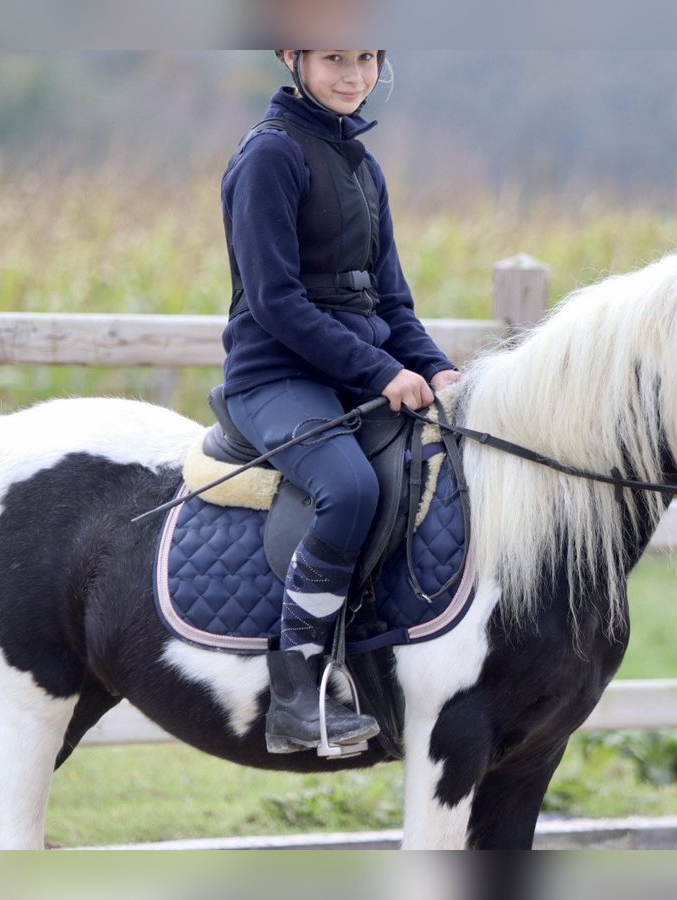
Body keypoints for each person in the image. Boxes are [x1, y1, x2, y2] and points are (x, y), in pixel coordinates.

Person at [220, 49, 460, 753]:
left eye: (364, 60)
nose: (352, 76)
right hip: (276, 377)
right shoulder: (270, 156)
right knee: (349, 488)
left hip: (353, 375)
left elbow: (391, 301)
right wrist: (382, 370)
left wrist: (438, 370)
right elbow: (275, 301)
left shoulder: (362, 163)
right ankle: (296, 691)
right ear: (293, 58)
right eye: (333, 60)